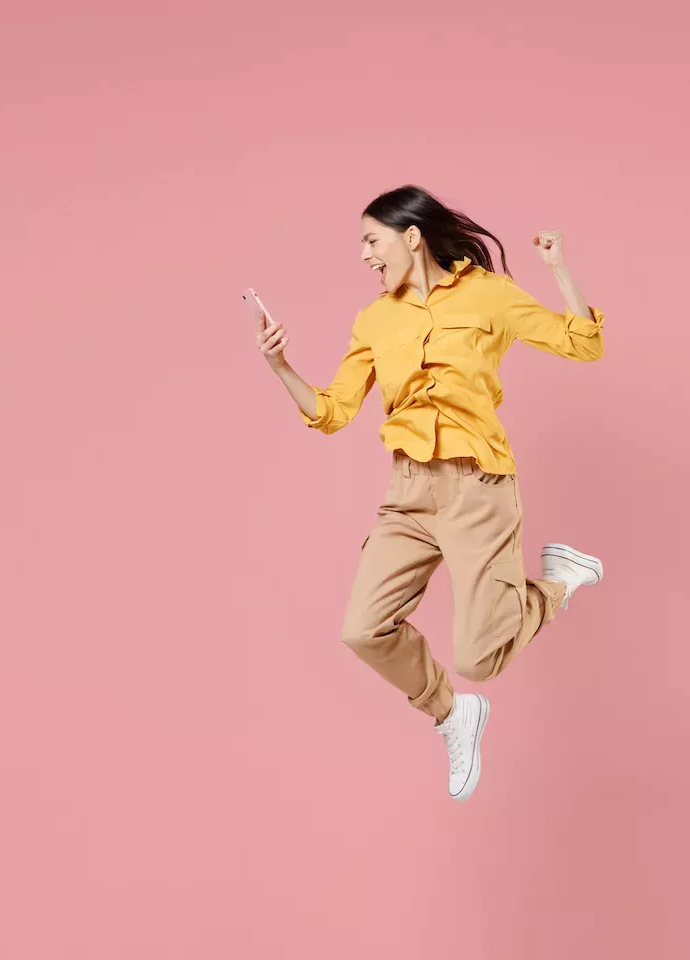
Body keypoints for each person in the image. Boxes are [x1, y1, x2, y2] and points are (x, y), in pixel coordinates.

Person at [254, 185, 606, 801]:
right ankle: (451, 714)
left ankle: (556, 584)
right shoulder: (374, 319)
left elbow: (583, 343)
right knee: (364, 629)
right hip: (409, 491)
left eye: (371, 240)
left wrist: (558, 270)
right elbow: (334, 412)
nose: (364, 255)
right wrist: (281, 367)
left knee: (480, 660)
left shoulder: (488, 295)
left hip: (478, 485)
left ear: (410, 235)